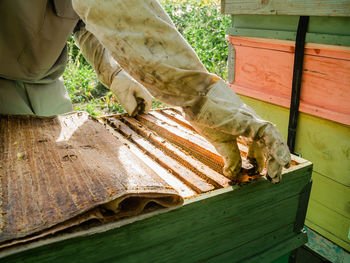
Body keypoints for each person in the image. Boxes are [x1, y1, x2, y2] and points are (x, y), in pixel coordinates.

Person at [0, 0, 291, 183]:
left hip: (47, 83)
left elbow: (85, 22)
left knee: (62, 182)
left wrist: (115, 73)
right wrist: (200, 97)